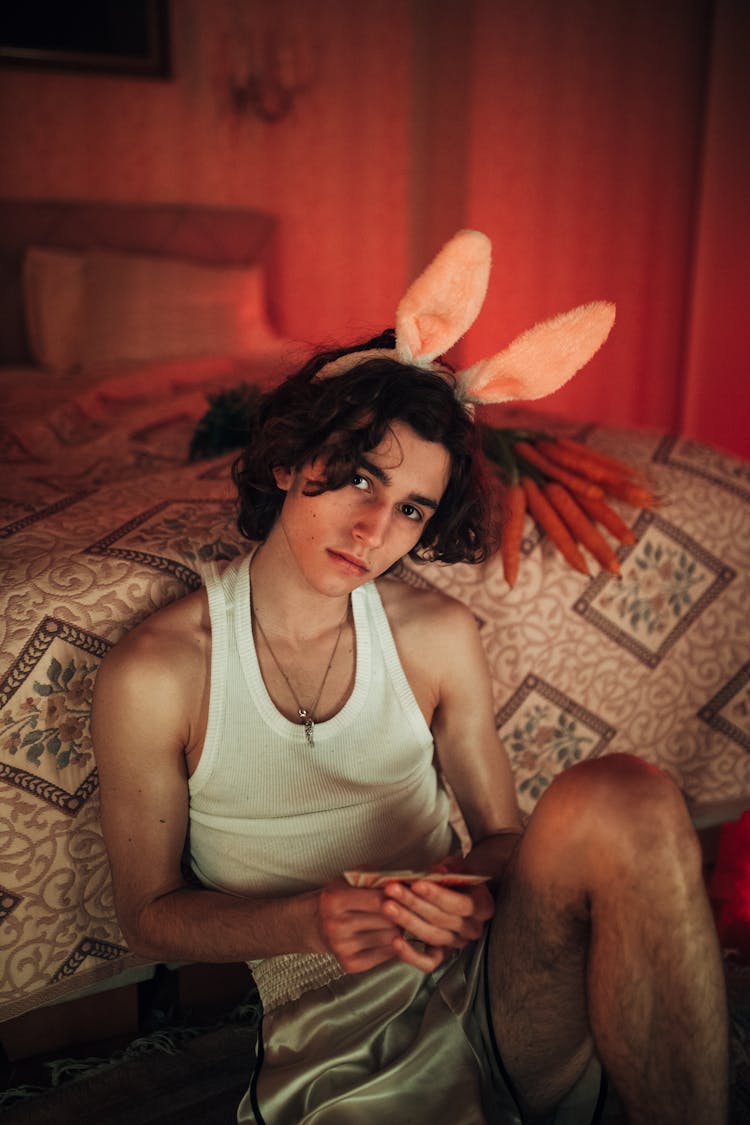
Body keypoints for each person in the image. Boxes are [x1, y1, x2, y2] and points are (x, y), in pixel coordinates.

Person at [92, 235, 729, 1125]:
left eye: (410, 510)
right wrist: (312, 919)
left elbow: (503, 837)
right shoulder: (158, 671)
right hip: (345, 1056)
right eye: (355, 476)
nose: (372, 528)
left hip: (508, 1000)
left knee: (630, 792)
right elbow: (148, 915)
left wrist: (465, 890)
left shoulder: (435, 635)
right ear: (286, 463)